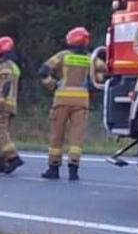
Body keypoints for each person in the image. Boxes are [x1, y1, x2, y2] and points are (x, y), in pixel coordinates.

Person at [38, 27, 98, 181]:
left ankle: (53, 168)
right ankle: (73, 170)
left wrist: (52, 84)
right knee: (76, 138)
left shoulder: (63, 56)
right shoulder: (90, 58)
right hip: (82, 101)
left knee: (57, 136)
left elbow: (43, 71)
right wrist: (94, 82)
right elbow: (104, 70)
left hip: (62, 99)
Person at [0, 36, 26, 175]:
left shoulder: (5, 66)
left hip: (3, 104)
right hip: (10, 104)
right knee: (2, 133)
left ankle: (14, 158)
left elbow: (5, 84)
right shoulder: (13, 65)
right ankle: (1, 163)